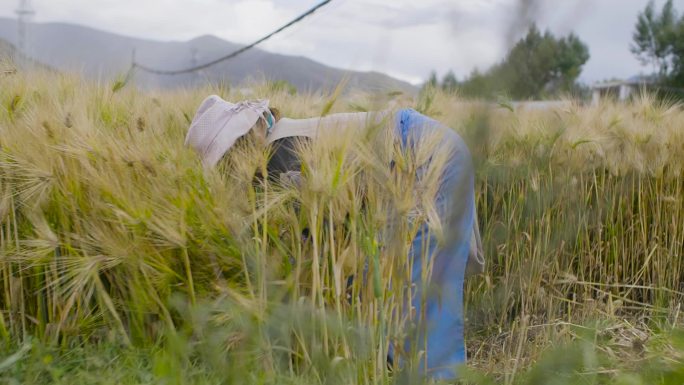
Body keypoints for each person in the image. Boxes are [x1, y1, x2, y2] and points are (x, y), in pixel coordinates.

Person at [184, 95, 484, 380]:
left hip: (424, 156)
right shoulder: (285, 142)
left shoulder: (279, 153)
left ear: (244, 142)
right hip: (429, 147)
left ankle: (432, 376)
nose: (231, 170)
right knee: (398, 284)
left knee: (414, 287)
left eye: (228, 159)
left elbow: (319, 236)